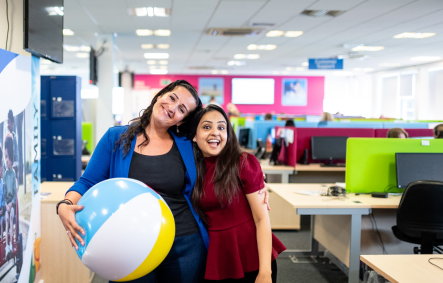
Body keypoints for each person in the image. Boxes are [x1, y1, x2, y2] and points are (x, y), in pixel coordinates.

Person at [57, 80, 215, 282]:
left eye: (182, 109)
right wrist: (66, 204)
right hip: (130, 243)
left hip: (184, 244)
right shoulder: (116, 138)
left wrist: (253, 181)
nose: (172, 108)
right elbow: (88, 181)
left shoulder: (187, 146)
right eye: (172, 98)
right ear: (160, 95)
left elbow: (220, 162)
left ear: (181, 121)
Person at [190, 105, 285, 283]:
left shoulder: (243, 163)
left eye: (221, 127)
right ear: (194, 135)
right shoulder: (192, 170)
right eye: (206, 127)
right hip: (217, 256)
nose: (215, 133)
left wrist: (265, 272)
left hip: (252, 256)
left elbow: (261, 219)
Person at [3, 133, 17, 257]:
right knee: (7, 218)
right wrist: (5, 204)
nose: (7, 160)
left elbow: (14, 191)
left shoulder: (12, 174)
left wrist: (11, 202)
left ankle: (12, 244)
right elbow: (3, 192)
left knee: (11, 216)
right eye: (5, 157)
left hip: (11, 204)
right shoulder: (4, 174)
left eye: (8, 158)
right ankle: (7, 246)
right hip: (5, 204)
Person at [7, 110, 19, 174]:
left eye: (9, 122)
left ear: (12, 123)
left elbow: (16, 151)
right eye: (7, 122)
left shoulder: (14, 137)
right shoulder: (6, 136)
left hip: (13, 166)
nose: (7, 125)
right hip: (6, 167)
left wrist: (15, 163)